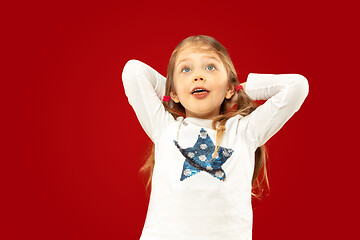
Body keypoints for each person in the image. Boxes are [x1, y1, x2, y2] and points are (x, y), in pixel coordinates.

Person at [121, 35, 309, 240]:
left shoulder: (245, 131)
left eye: (210, 67)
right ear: (173, 93)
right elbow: (133, 71)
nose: (198, 76)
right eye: (186, 69)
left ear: (228, 87)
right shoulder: (164, 128)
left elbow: (297, 86)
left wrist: (241, 89)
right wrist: (174, 89)